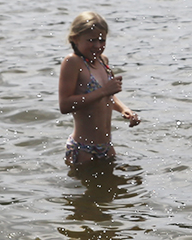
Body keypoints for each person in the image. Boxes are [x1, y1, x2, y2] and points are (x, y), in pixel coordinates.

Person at [58, 12, 140, 167]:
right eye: (91, 40)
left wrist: (124, 109)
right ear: (75, 39)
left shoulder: (103, 61)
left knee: (127, 185)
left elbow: (107, 96)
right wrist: (103, 91)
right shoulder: (72, 63)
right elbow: (65, 105)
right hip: (83, 149)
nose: (97, 45)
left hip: (106, 146)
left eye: (102, 40)